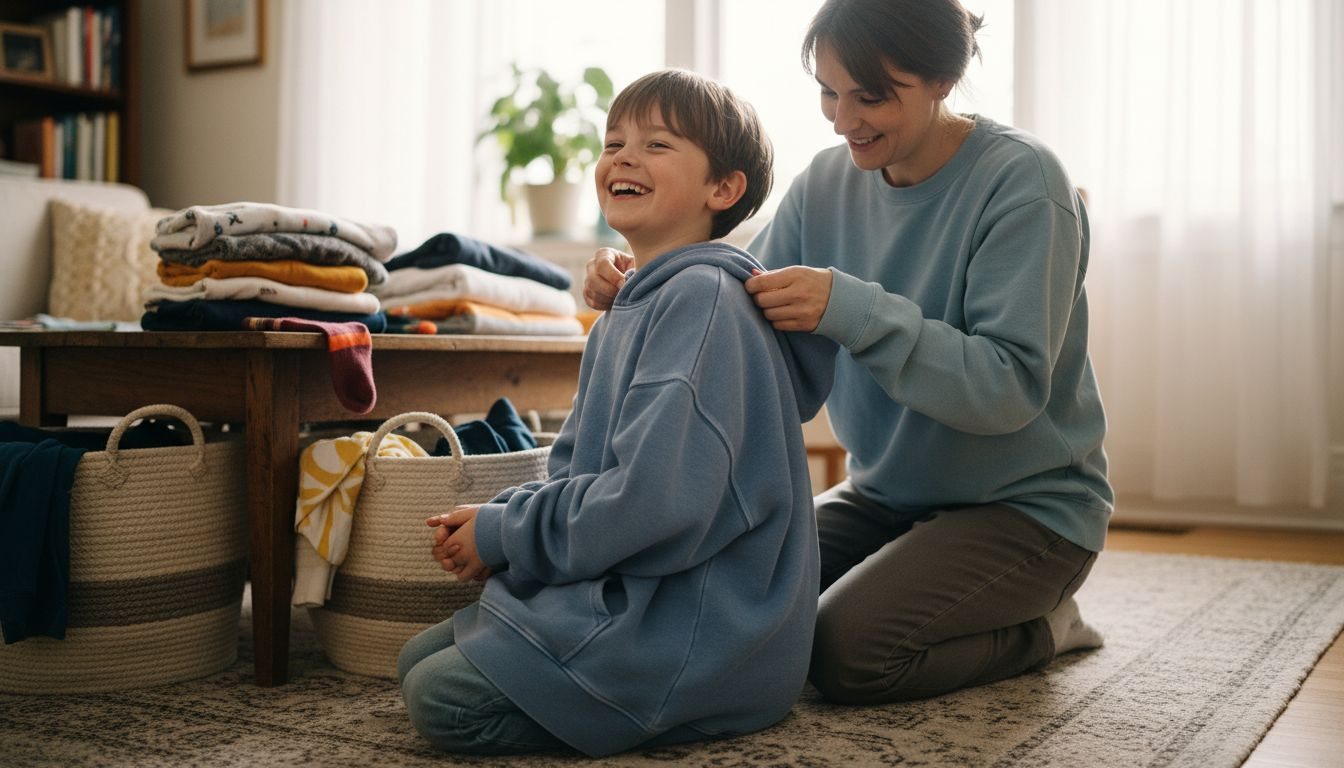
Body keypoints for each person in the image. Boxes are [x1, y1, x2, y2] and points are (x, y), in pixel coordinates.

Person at [583, 0, 1113, 706]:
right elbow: (738, 310)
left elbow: (1007, 390)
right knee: (722, 603)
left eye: (873, 96)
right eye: (829, 92)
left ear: (942, 80)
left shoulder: (1023, 182)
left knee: (845, 654)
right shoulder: (826, 183)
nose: (842, 118)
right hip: (884, 495)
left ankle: (1045, 629)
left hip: (1027, 510)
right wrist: (642, 278)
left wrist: (853, 310)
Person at [397, 69, 837, 757]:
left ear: (723, 190)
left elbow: (652, 505)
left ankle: (686, 707)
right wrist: (506, 521)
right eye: (614, 142)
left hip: (700, 618)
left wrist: (507, 535)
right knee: (415, 663)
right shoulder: (624, 314)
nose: (623, 157)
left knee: (440, 698)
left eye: (657, 145)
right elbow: (577, 467)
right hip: (634, 579)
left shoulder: (702, 302)